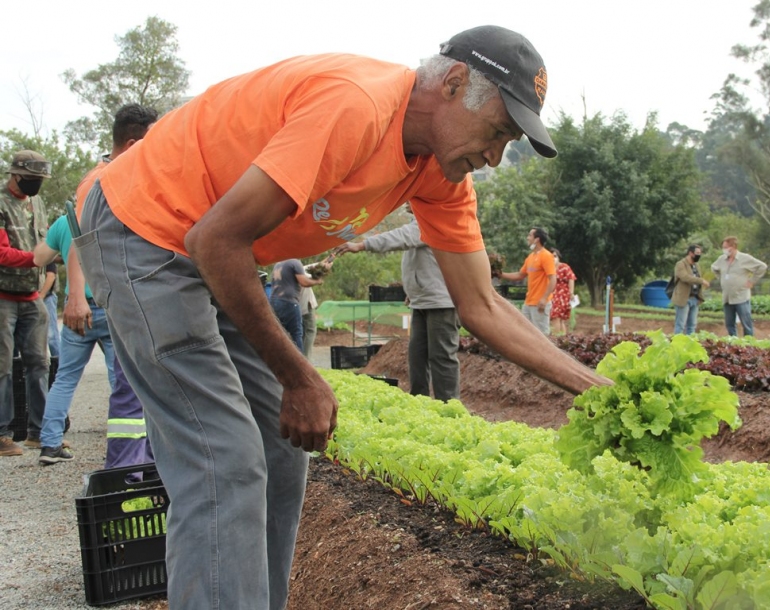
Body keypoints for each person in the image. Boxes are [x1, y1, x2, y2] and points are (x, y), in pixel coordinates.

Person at [74, 26, 610, 609]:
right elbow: (216, 238)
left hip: (212, 248)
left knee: (281, 450)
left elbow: (481, 305)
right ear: (454, 84)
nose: (495, 157)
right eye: (499, 131)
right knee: (223, 458)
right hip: (143, 227)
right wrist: (300, 377)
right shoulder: (356, 107)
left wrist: (598, 389)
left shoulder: (441, 171)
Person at [33, 103, 158, 467]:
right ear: (132, 141)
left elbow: (42, 255)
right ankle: (128, 465)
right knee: (125, 385)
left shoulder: (69, 215)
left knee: (77, 378)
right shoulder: (101, 184)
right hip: (104, 304)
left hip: (97, 306)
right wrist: (75, 296)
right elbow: (81, 243)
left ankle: (52, 441)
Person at [335, 209, 461, 400]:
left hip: (441, 303)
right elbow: (420, 262)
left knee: (441, 357)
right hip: (422, 301)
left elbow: (401, 237)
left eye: (412, 197)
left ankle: (449, 407)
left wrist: (362, 245)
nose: (407, 203)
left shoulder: (430, 219)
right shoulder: (418, 221)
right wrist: (413, 292)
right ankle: (420, 401)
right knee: (416, 356)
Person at [0, 150, 50, 457]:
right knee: (2, 367)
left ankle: (40, 432)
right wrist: (36, 259)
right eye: (31, 179)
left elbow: (47, 241)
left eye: (39, 180)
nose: (36, 185)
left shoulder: (39, 204)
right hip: (3, 297)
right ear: (14, 175)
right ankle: (2, 434)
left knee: (39, 364)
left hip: (33, 299)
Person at [497, 227, 556, 335]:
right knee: (525, 334)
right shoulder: (530, 257)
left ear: (537, 239)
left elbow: (553, 279)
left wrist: (544, 299)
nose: (527, 238)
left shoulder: (546, 256)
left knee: (541, 335)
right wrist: (501, 274)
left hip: (540, 303)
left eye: (530, 235)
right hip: (528, 303)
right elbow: (520, 275)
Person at [710, 236, 768, 337]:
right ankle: (734, 344)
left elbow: (762, 267)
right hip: (727, 297)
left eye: (726, 247)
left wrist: (752, 281)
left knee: (746, 323)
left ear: (733, 246)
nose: (724, 250)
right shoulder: (722, 259)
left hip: (741, 296)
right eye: (723, 247)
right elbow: (714, 267)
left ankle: (748, 344)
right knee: (729, 324)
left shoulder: (744, 258)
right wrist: (721, 278)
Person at [269, 258, 326, 351]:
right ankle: (300, 361)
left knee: (281, 334)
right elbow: (304, 282)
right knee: (296, 335)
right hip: (288, 302)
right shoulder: (295, 262)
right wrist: (317, 282)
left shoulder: (279, 263)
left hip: (274, 302)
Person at [671, 244, 710, 336]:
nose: (698, 255)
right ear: (690, 253)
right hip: (684, 298)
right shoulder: (680, 264)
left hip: (695, 298)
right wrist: (701, 281)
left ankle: (690, 345)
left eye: (700, 253)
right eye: (697, 253)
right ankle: (677, 344)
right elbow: (685, 277)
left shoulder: (696, 265)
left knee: (692, 325)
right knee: (680, 325)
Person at [298, 259, 332, 361]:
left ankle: (302, 358)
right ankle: (305, 359)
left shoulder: (287, 266)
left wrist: (327, 259)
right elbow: (309, 276)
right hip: (305, 304)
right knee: (310, 330)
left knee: (303, 332)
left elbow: (311, 267)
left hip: (299, 304)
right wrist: (318, 280)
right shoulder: (297, 270)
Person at [549, 248, 576, 335]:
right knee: (557, 319)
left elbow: (571, 278)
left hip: (562, 295)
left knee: (557, 318)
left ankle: (557, 338)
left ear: (558, 257)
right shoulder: (548, 268)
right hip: (552, 294)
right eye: (551, 256)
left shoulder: (564, 267)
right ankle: (561, 338)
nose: (553, 258)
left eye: (555, 256)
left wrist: (571, 292)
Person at [40, 263, 60, 359]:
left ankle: (58, 363)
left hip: (47, 297)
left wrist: (41, 296)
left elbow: (51, 276)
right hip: (27, 298)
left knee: (52, 335)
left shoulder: (44, 253)